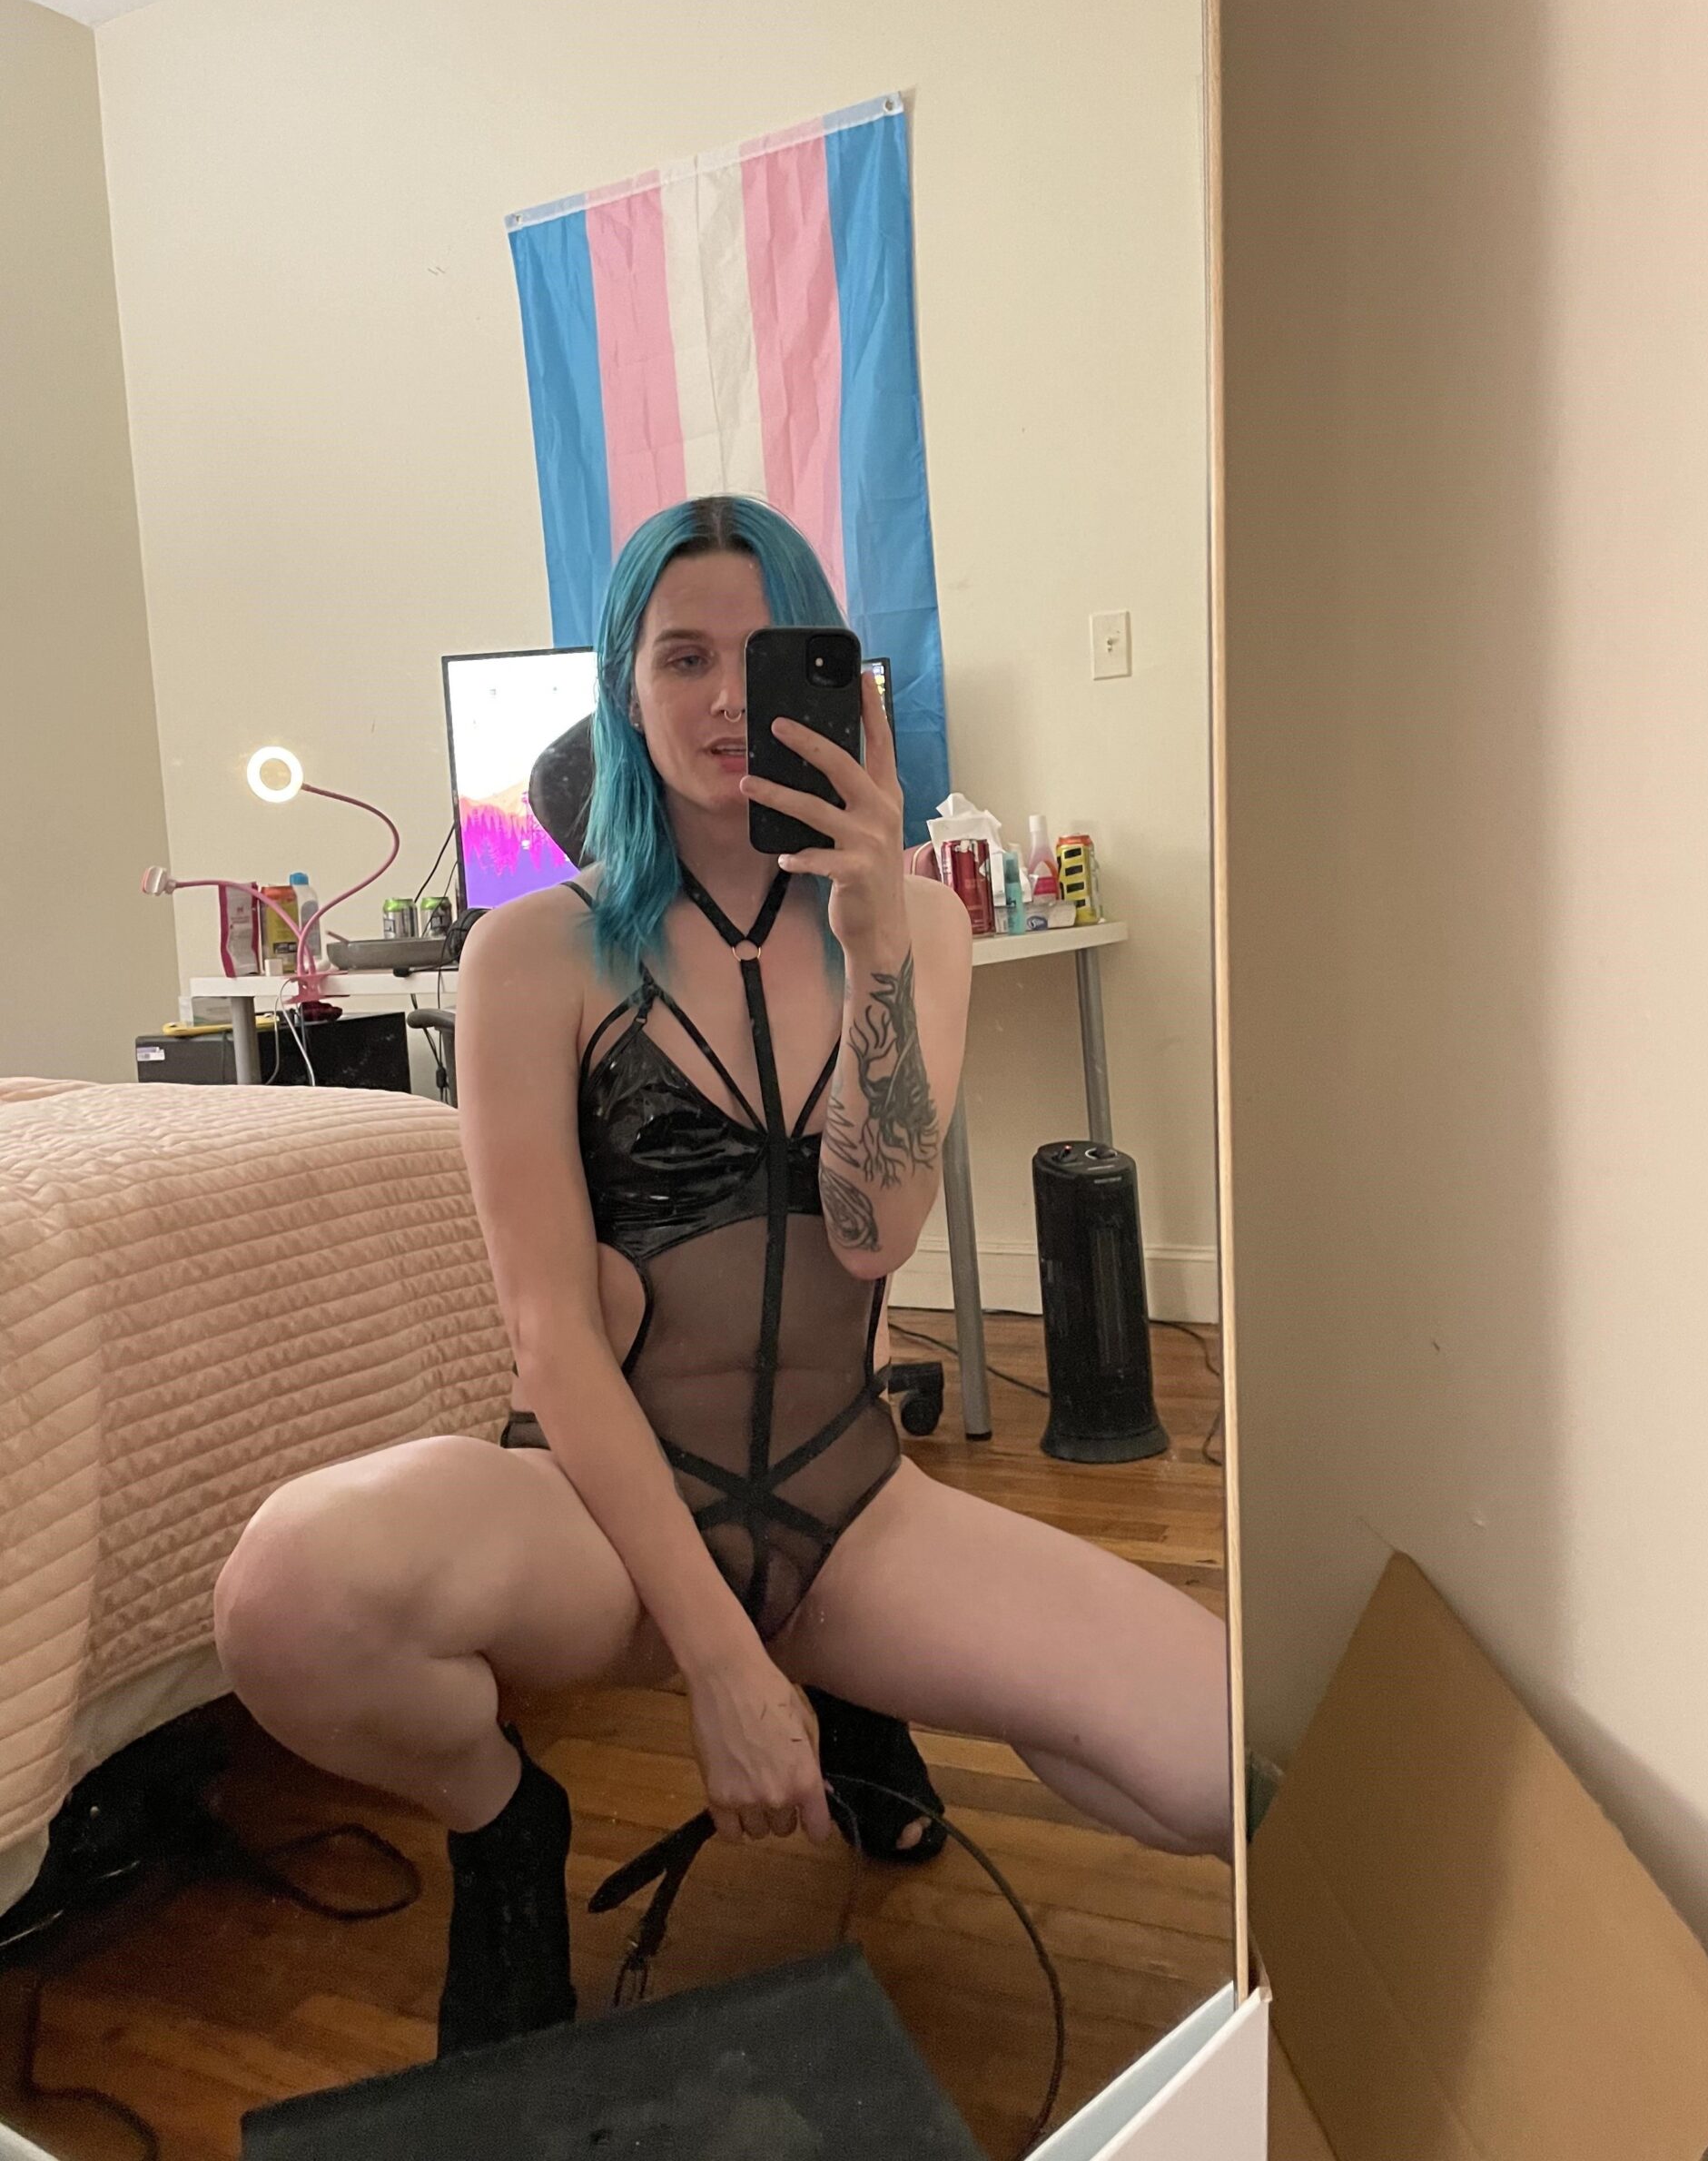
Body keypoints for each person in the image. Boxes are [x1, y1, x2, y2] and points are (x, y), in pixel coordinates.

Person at [212, 497, 1232, 2057]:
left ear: (830, 677)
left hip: (846, 1507)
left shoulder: (922, 927)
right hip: (600, 1518)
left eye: (762, 658)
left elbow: (875, 1235)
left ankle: (859, 1686)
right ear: (624, 691)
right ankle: (501, 1823)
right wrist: (721, 1668)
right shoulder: (532, 955)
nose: (724, 700)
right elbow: (550, 1337)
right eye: (681, 657)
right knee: (284, 1593)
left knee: (1212, 1758)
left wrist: (877, 935)